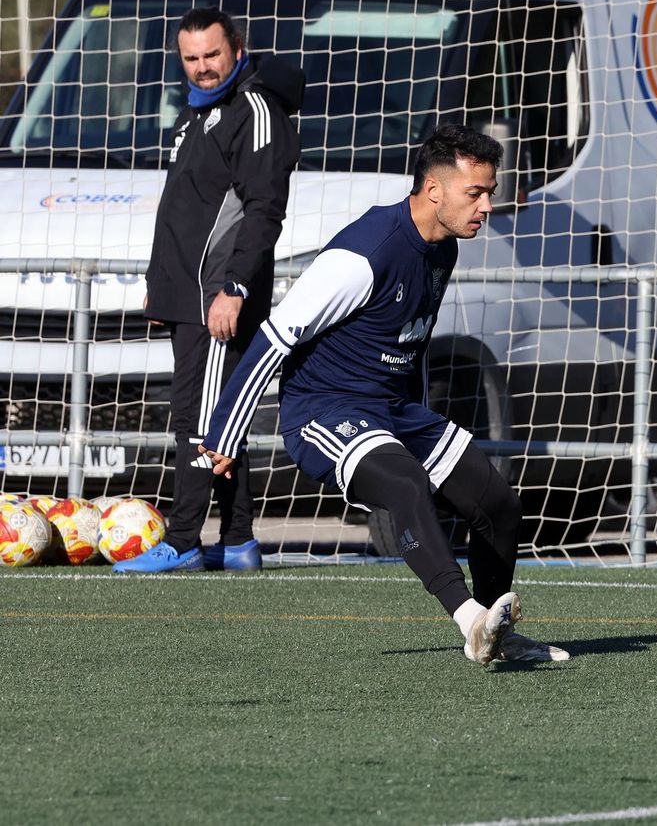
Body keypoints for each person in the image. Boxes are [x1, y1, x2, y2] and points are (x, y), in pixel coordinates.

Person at [197, 125, 566, 666]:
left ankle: (497, 637)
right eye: (476, 193)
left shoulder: (442, 249)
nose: (487, 206)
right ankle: (470, 621)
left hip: (393, 411)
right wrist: (225, 434)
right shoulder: (363, 254)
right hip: (325, 410)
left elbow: (410, 343)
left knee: (499, 506)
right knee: (406, 483)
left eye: (490, 192)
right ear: (434, 189)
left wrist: (420, 418)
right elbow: (275, 338)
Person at [122, 7, 304, 573]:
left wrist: (234, 287)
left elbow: (264, 210)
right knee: (216, 417)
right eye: (191, 58)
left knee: (198, 422)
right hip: (188, 296)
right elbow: (186, 209)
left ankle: (182, 540)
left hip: (219, 297)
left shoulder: (256, 110)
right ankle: (240, 540)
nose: (202, 67)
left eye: (212, 55)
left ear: (237, 49)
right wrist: (162, 287)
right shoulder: (197, 110)